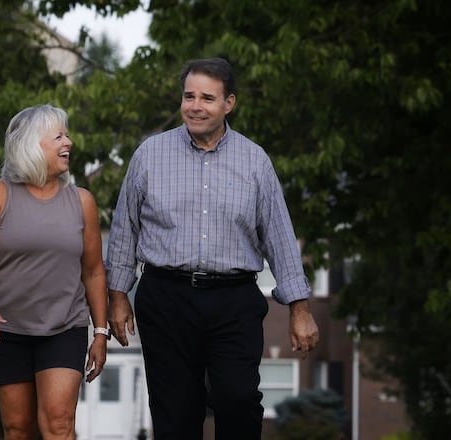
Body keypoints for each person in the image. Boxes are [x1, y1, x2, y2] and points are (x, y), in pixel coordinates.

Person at [106, 58, 320, 439]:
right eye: (189, 96)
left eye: (207, 97)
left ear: (229, 103)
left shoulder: (255, 161)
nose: (195, 106)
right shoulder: (149, 155)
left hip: (233, 301)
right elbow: (125, 229)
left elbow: (280, 236)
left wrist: (299, 309)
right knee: (176, 412)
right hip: (166, 298)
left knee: (239, 400)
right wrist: (118, 295)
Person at [0, 104, 109, 440]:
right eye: (58, 136)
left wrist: (100, 332)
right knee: (18, 429)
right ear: (31, 146)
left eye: (66, 135)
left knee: (58, 424)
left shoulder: (82, 201)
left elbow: (94, 272)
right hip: (5, 331)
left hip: (63, 327)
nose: (68, 142)